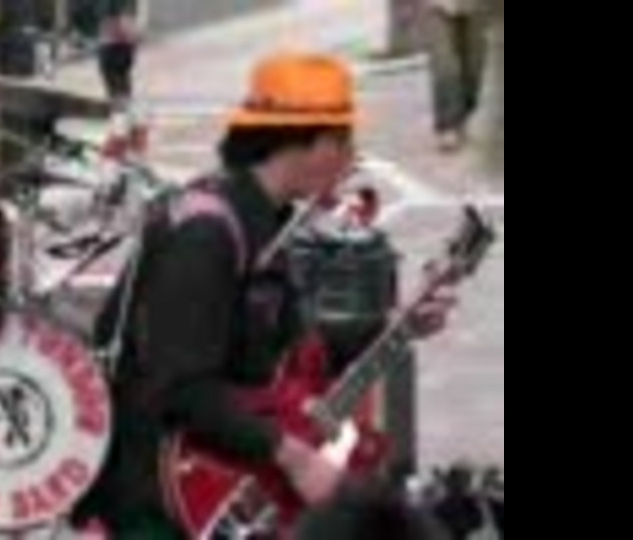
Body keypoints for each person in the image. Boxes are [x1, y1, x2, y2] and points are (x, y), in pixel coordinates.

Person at [72, 52, 456, 537]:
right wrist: (295, 458)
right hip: (167, 498)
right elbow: (180, 388)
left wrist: (396, 325)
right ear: (306, 143)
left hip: (229, 471)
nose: (349, 159)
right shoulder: (205, 235)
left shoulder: (263, 222)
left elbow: (290, 360)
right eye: (342, 142)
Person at [423, 0, 488, 152]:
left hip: (476, 9)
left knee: (473, 70)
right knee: (444, 67)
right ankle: (447, 126)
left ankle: (461, 117)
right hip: (437, 7)